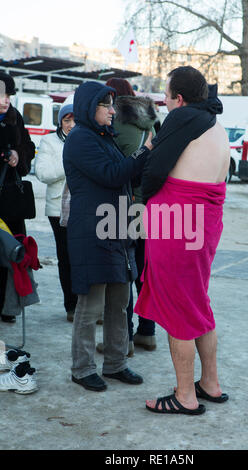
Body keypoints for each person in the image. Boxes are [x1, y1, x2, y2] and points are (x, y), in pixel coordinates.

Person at [134, 66, 230, 415]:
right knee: (196, 302)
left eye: (167, 94)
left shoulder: (184, 118)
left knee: (178, 310)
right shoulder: (215, 124)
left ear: (181, 98)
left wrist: (144, 197)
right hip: (203, 226)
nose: (163, 100)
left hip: (178, 227)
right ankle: (210, 384)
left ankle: (185, 395)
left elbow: (155, 170)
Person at [63, 81, 152, 392]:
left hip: (117, 227)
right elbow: (112, 175)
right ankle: (82, 368)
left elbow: (126, 175)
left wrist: (143, 164)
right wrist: (145, 151)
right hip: (92, 230)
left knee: (120, 301)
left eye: (113, 105)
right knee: (91, 305)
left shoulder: (106, 138)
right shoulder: (80, 139)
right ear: (90, 107)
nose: (113, 111)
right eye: (107, 105)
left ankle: (115, 363)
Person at [95, 77, 157, 357]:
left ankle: (126, 339)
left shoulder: (113, 120)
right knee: (145, 270)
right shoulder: (153, 121)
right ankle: (148, 332)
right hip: (152, 203)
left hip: (124, 202)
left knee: (123, 272)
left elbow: (113, 167)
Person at [34, 101, 78, 322]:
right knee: (66, 257)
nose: (70, 124)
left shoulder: (86, 139)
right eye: (66, 120)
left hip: (83, 206)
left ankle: (86, 305)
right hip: (57, 208)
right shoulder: (49, 141)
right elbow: (42, 173)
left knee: (83, 256)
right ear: (60, 121)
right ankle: (71, 305)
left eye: (74, 119)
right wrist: (69, 162)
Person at [0, 72, 35, 323]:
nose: (5, 100)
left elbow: (29, 147)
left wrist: (16, 155)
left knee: (11, 252)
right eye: (1, 95)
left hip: (10, 199)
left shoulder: (16, 118)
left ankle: (8, 305)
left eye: (9, 95)